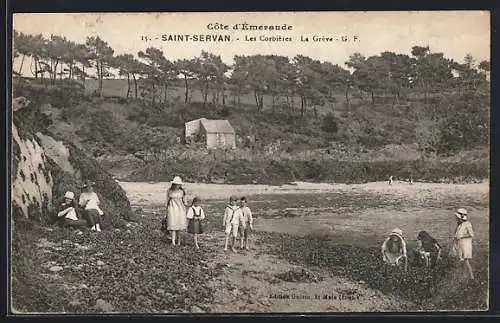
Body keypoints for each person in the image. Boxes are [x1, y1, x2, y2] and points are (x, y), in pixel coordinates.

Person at [449, 208, 474, 280]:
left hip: (465, 245)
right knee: (461, 260)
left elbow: (471, 234)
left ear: (461, 217)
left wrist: (461, 237)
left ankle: (471, 277)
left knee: (466, 261)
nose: (456, 219)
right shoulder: (460, 224)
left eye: (457, 218)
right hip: (460, 244)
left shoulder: (467, 224)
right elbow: (456, 234)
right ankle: (464, 275)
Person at [166, 176, 187, 246]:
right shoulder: (170, 191)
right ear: (173, 184)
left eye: (179, 184)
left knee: (179, 226)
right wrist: (167, 208)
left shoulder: (182, 192)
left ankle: (179, 241)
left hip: (180, 209)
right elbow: (167, 200)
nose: (177, 186)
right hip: (172, 208)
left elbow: (184, 201)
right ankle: (173, 241)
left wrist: (187, 205)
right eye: (176, 184)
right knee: (173, 225)